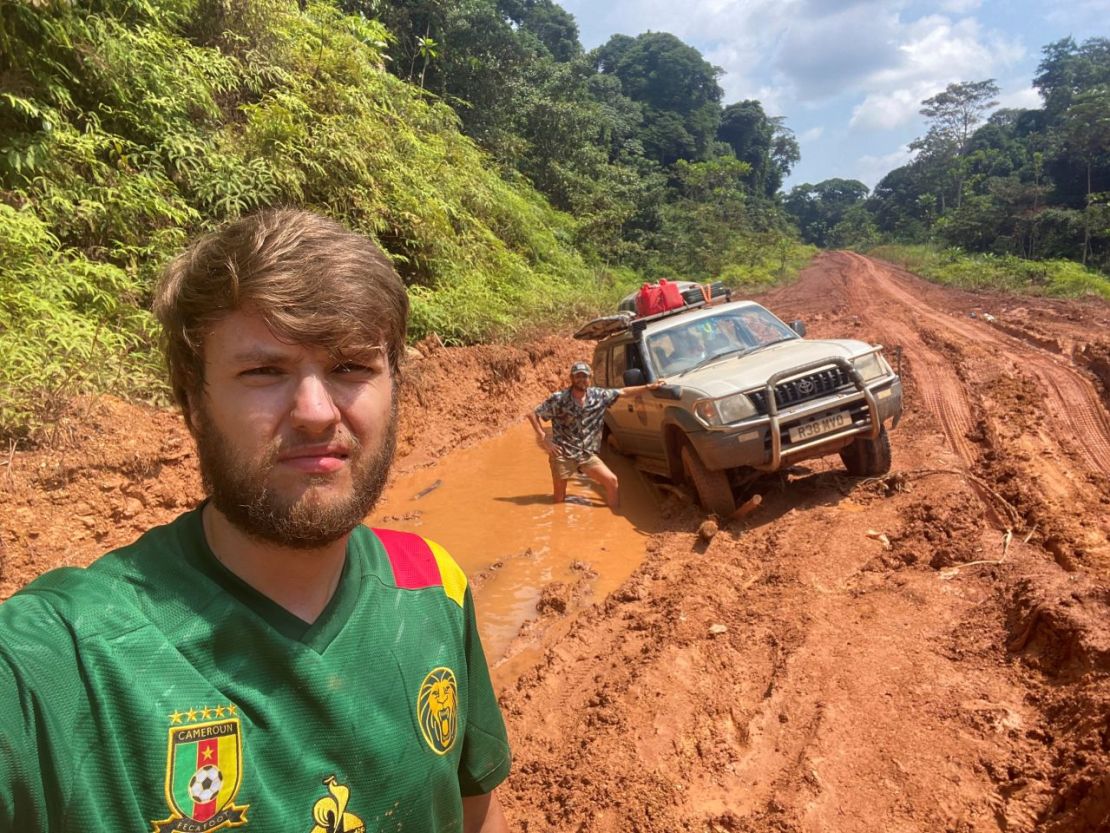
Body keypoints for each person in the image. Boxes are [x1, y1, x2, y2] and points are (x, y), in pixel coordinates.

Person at [0, 209, 511, 833]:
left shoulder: (433, 583)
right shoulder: (66, 659)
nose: (317, 412)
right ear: (192, 400)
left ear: (395, 387)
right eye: (264, 371)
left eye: (351, 367)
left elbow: (473, 813)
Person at [528, 361, 662, 509]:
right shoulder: (559, 399)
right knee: (559, 498)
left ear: (590, 378)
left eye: (584, 376)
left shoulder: (599, 396)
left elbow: (623, 392)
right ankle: (560, 525)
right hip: (562, 453)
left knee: (612, 481)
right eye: (577, 376)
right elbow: (533, 414)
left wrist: (649, 387)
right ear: (571, 378)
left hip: (586, 453)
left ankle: (614, 518)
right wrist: (544, 438)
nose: (581, 379)